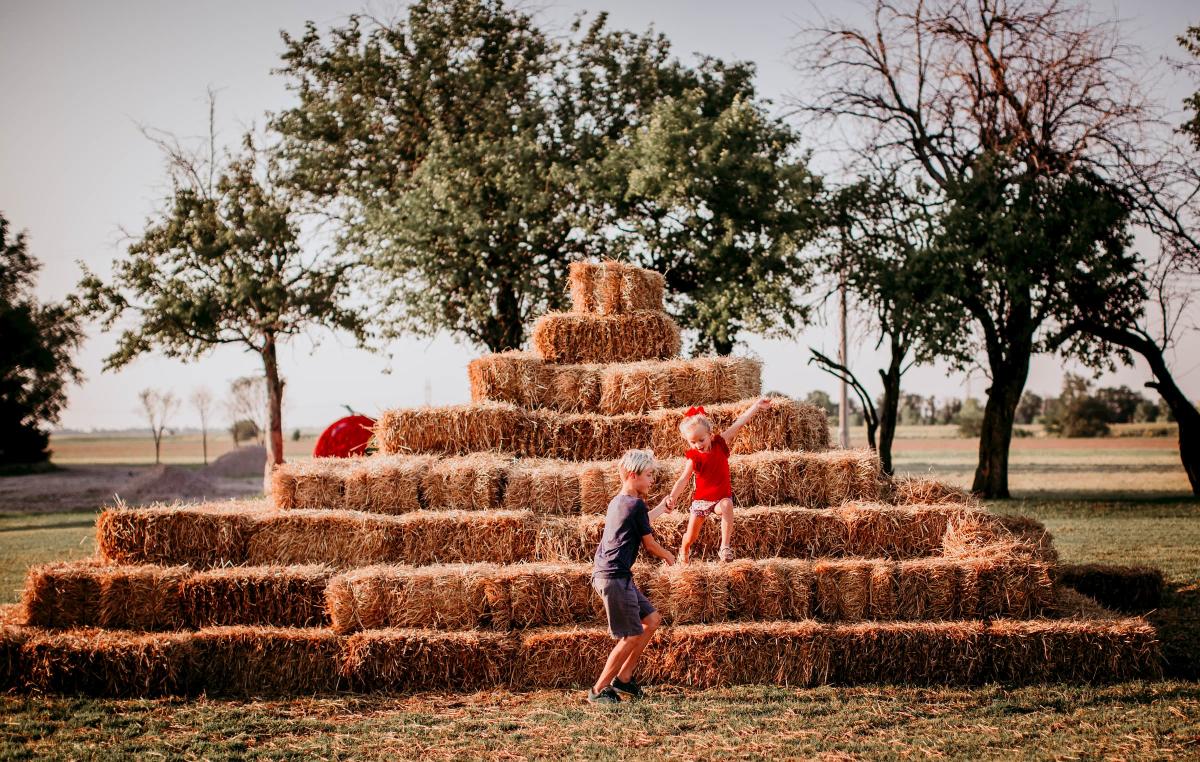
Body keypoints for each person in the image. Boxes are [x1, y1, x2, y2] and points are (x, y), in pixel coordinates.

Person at [588, 448, 675, 704]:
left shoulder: (619, 501)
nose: (651, 481)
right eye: (648, 475)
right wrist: (668, 555)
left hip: (614, 574)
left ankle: (624, 679)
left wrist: (661, 508)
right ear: (631, 474)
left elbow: (640, 522)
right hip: (614, 576)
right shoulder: (635, 504)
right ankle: (598, 690)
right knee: (632, 635)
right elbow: (649, 544)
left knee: (652, 619)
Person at [663, 398, 773, 564]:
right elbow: (683, 479)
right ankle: (684, 548)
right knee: (691, 536)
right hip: (701, 501)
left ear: (710, 434)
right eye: (692, 442)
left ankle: (725, 547)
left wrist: (756, 407)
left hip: (719, 500)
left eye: (701, 440)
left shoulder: (719, 444)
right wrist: (672, 496)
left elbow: (738, 424)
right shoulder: (694, 458)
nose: (698, 444)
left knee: (727, 505)